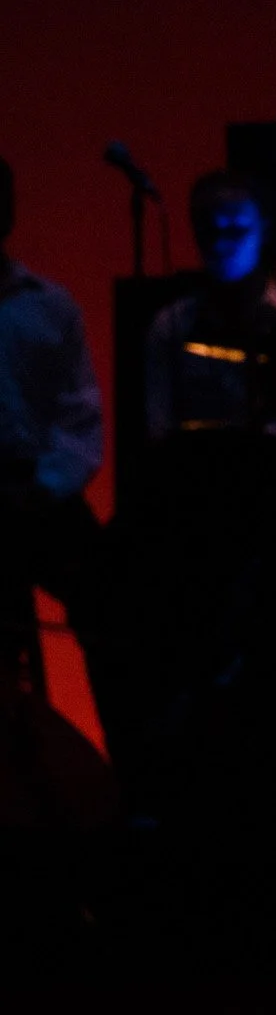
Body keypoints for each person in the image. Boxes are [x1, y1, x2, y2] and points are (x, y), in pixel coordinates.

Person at [0, 154, 104, 661]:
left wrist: (44, 488)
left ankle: (124, 735)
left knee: (111, 597)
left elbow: (78, 415)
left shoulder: (49, 306)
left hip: (40, 492)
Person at [144, 172, 276, 441]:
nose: (220, 245)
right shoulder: (171, 326)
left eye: (235, 231)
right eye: (209, 232)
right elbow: (159, 430)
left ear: (264, 230)